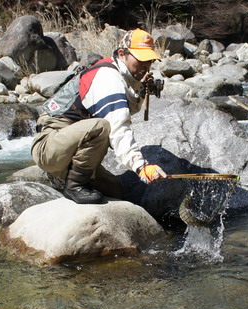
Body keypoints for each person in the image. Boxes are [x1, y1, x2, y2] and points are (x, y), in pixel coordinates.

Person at [31, 28, 167, 205]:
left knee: (115, 191)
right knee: (102, 127)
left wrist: (140, 89)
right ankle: (74, 185)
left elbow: (127, 110)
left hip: (68, 146)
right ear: (122, 53)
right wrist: (141, 166)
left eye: (149, 60)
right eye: (141, 59)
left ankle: (64, 176)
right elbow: (118, 126)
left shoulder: (122, 74)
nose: (146, 66)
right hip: (48, 146)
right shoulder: (108, 77)